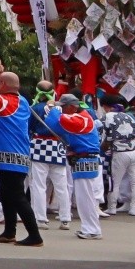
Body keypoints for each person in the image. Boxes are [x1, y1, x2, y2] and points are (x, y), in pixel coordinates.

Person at [0, 72, 41, 247]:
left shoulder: (4, 101)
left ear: (3, 84)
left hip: (11, 157)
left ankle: (35, 235)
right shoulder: (22, 101)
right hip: (15, 156)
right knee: (5, 193)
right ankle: (9, 232)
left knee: (17, 196)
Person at [46, 93, 102, 240]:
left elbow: (53, 122)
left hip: (85, 159)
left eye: (63, 107)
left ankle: (92, 229)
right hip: (84, 159)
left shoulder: (80, 119)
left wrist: (53, 107)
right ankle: (90, 228)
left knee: (85, 198)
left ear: (71, 107)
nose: (62, 109)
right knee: (85, 197)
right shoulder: (83, 117)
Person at [27, 82, 74, 229]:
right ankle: (65, 218)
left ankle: (41, 218)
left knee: (39, 184)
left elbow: (29, 128)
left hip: (39, 145)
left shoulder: (34, 108)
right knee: (61, 185)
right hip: (58, 146)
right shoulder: (60, 109)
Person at [102, 99, 135, 216]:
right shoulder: (130, 116)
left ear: (111, 108)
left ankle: (112, 208)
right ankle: (134, 209)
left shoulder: (108, 116)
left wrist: (103, 147)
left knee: (115, 182)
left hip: (120, 152)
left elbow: (105, 135)